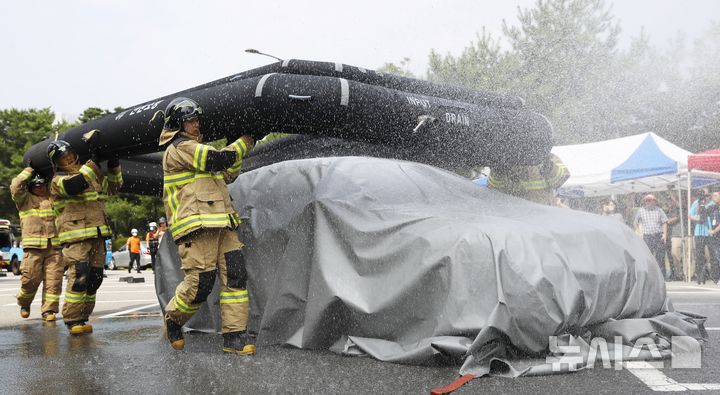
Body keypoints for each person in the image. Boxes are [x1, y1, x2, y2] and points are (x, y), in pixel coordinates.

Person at [158, 97, 257, 355]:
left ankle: (234, 337)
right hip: (196, 226)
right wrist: (247, 139)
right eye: (190, 120)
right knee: (201, 284)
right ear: (177, 125)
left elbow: (228, 172)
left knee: (235, 277)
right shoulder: (179, 148)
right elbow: (218, 160)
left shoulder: (199, 151)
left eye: (196, 120)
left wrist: (233, 144)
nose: (195, 124)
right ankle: (174, 318)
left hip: (223, 223)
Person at [48, 138, 122, 335]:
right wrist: (94, 162)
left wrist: (114, 166)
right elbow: (75, 185)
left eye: (70, 153)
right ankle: (72, 319)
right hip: (75, 238)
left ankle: (83, 316)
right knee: (79, 275)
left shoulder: (90, 173)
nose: (69, 157)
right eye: (63, 157)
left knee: (95, 278)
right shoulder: (58, 181)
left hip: (97, 233)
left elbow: (113, 188)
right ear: (57, 162)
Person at [10, 168, 64, 322]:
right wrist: (28, 170)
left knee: (54, 282)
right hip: (33, 249)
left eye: (43, 185)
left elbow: (60, 187)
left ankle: (49, 311)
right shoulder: (24, 200)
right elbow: (15, 186)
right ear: (31, 187)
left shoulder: (53, 199)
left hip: (54, 248)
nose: (40, 188)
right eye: (36, 185)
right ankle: (24, 303)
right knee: (30, 280)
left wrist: (54, 172)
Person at [488, 153, 570, 205]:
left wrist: (549, 166)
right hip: (517, 214)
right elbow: (494, 188)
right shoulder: (508, 161)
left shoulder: (548, 157)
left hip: (544, 212)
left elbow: (562, 177)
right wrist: (498, 170)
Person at [634, 194, 668, 276]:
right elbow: (635, 223)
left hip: (658, 235)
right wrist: (639, 233)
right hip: (647, 236)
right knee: (648, 256)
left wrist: (665, 234)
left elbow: (664, 222)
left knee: (660, 256)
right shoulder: (641, 211)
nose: (648, 202)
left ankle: (662, 275)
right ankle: (649, 275)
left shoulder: (659, 210)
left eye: (650, 200)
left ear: (654, 201)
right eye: (647, 200)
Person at [688, 187, 714, 285]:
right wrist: (698, 218)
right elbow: (690, 216)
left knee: (711, 255)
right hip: (699, 233)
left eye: (706, 195)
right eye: (702, 194)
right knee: (699, 255)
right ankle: (699, 276)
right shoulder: (696, 203)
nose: (704, 197)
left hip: (710, 232)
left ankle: (713, 275)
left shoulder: (712, 203)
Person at [665, 194, 684, 281]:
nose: (669, 202)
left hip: (677, 235)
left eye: (671, 200)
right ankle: (674, 273)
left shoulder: (679, 209)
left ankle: (679, 274)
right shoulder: (667, 211)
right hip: (669, 236)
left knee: (676, 255)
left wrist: (666, 221)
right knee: (670, 256)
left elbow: (675, 219)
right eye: (668, 200)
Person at [708, 192, 720, 284]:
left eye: (716, 196)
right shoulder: (714, 207)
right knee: (716, 257)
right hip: (715, 237)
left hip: (717, 234)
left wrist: (714, 231)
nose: (713, 197)